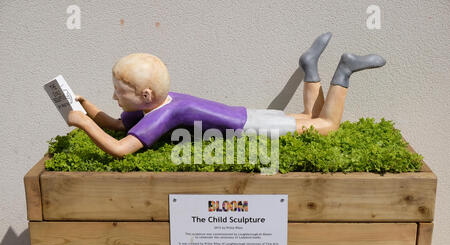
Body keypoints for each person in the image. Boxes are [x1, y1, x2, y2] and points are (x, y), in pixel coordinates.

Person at [68, 32, 386, 157]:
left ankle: (343, 70)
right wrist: (86, 107)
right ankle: (311, 67)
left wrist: (83, 124)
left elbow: (121, 148)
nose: (114, 98)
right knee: (308, 119)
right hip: (245, 116)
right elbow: (117, 125)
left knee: (327, 126)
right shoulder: (161, 103)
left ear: (146, 95)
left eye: (119, 93)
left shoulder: (163, 114)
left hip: (251, 129)